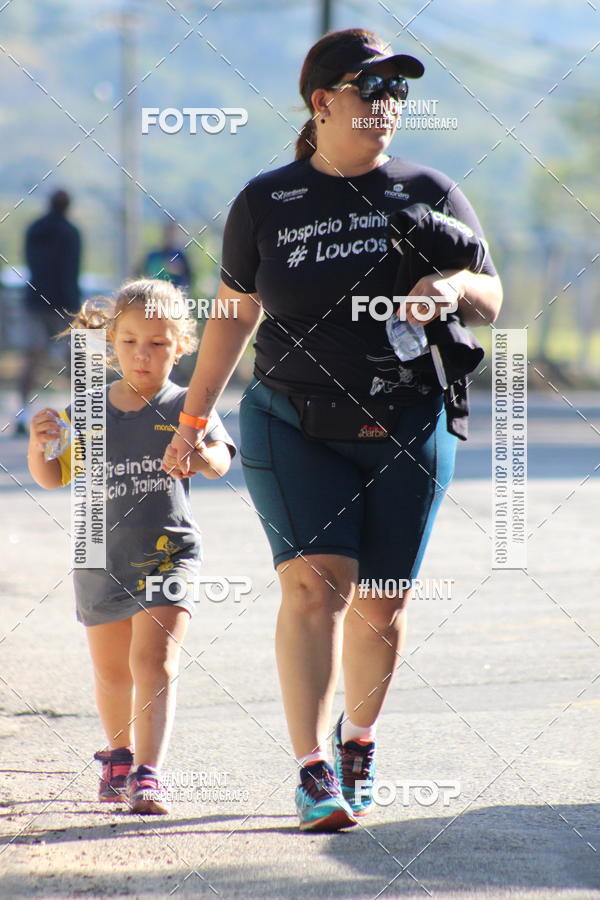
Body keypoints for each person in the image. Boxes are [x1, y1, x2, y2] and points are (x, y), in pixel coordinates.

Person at [164, 28, 503, 832]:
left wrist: (449, 288)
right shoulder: (266, 202)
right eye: (369, 89)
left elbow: (492, 293)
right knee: (315, 585)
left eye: (396, 92)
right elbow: (232, 317)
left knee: (382, 602)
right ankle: (312, 768)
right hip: (292, 419)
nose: (386, 105)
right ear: (323, 103)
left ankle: (360, 739)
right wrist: (194, 413)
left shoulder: (430, 188)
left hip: (410, 420)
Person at [27, 279, 235, 814]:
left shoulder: (189, 403)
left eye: (159, 344)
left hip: (168, 552)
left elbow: (220, 460)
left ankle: (148, 773)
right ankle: (118, 755)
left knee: (155, 661)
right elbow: (51, 477)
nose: (144, 355)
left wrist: (198, 457)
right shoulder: (89, 411)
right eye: (131, 342)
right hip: (100, 557)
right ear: (111, 343)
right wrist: (38, 443)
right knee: (114, 672)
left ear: (182, 346)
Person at [17, 189, 82, 435]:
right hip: (63, 304)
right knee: (73, 359)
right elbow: (71, 270)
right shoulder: (70, 233)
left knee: (31, 358)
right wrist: (75, 307)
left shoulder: (34, 229)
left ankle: (22, 412)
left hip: (34, 301)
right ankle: (82, 411)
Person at [140, 221, 193, 293]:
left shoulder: (180, 255)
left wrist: (178, 270)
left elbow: (189, 276)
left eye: (172, 234)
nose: (169, 237)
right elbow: (143, 272)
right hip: (155, 293)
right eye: (167, 233)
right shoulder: (153, 255)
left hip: (175, 293)